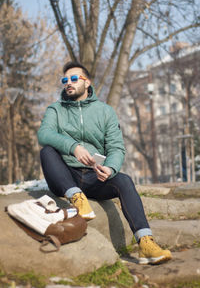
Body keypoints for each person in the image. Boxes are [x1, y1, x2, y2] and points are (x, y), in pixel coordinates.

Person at [37, 61, 172, 265]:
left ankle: (145, 242)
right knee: (47, 151)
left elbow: (116, 148)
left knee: (124, 181)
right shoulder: (55, 109)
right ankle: (76, 198)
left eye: (74, 79)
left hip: (93, 177)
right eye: (65, 80)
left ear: (87, 83)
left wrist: (109, 168)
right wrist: (73, 147)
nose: (69, 83)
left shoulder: (105, 111)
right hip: (64, 176)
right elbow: (44, 134)